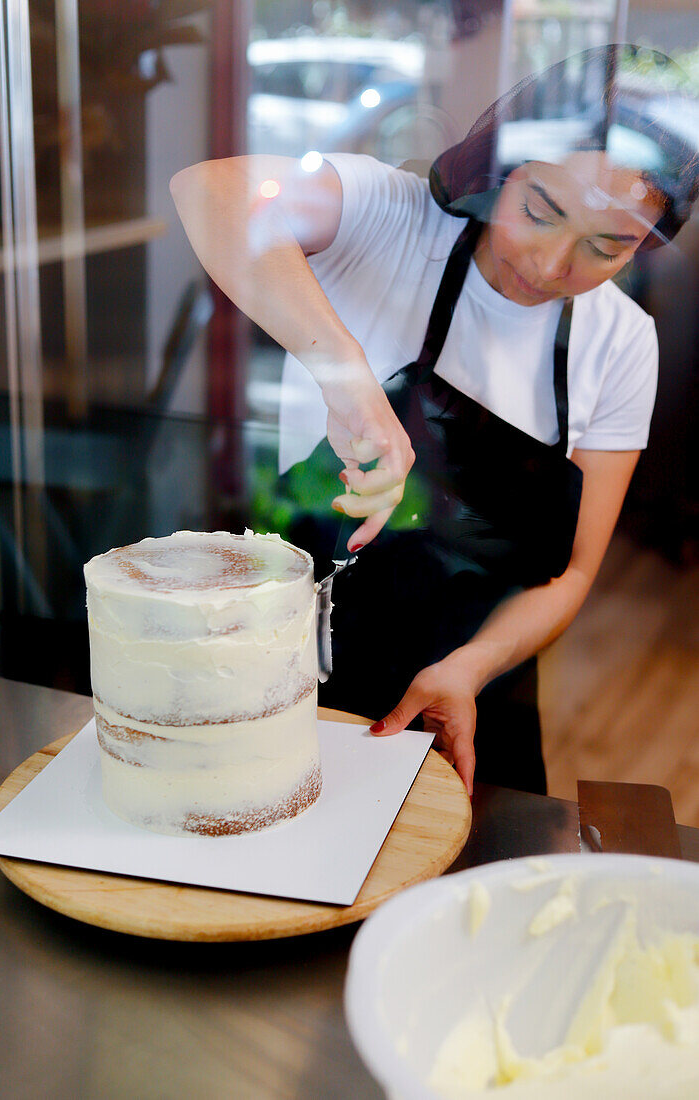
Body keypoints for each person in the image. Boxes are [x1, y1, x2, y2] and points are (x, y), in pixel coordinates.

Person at [170, 45, 699, 797]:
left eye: (605, 246)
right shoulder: (387, 217)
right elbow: (211, 189)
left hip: (462, 693)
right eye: (539, 211)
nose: (549, 266)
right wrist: (346, 378)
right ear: (502, 165)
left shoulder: (620, 342)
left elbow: (573, 570)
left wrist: (469, 668)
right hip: (271, 667)